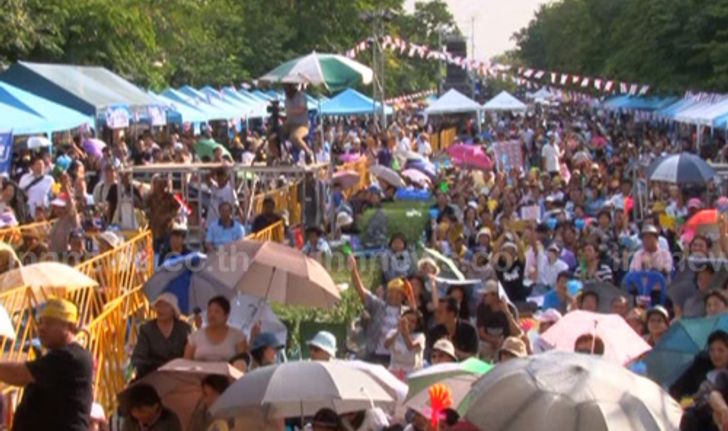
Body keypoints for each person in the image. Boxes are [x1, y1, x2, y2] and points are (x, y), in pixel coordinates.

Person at [0, 298, 92, 431]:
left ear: (70, 327)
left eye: (50, 323)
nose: (41, 328)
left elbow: (20, 374)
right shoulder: (56, 357)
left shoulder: (71, 357)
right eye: (40, 323)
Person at [350, 255, 407, 365]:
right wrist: (354, 269)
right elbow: (360, 290)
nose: (394, 295)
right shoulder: (378, 306)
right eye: (392, 291)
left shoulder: (407, 313)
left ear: (403, 295)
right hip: (374, 354)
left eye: (398, 292)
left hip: (395, 359)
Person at [132, 294, 192, 378]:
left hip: (178, 376)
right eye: (158, 306)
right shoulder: (147, 329)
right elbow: (138, 358)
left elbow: (190, 356)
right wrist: (158, 367)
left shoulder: (184, 329)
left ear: (173, 310)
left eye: (165, 306)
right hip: (152, 375)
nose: (161, 310)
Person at [184, 296, 247, 362]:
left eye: (217, 312)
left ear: (226, 316)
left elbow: (243, 362)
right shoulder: (195, 336)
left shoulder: (237, 336)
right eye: (209, 311)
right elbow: (186, 362)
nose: (212, 315)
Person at [476, 280, 523, 361]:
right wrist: (493, 340)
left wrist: (507, 312)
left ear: (494, 295)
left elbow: (517, 334)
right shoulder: (482, 308)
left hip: (506, 344)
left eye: (486, 295)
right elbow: (481, 332)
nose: (483, 297)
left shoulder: (511, 309)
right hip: (488, 343)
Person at [385, 309, 426, 377]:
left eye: (412, 321)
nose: (408, 323)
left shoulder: (420, 336)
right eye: (407, 320)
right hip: (394, 372)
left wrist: (405, 332)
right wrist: (398, 331)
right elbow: (386, 345)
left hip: (413, 375)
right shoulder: (393, 332)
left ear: (417, 325)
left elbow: (410, 347)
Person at [283, 83, 314, 163]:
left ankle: (308, 152)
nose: (286, 90)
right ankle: (279, 155)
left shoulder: (301, 96)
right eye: (285, 88)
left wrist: (290, 111)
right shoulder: (286, 98)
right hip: (290, 124)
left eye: (288, 87)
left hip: (302, 124)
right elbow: (286, 112)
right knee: (276, 132)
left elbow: (301, 109)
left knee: (294, 137)